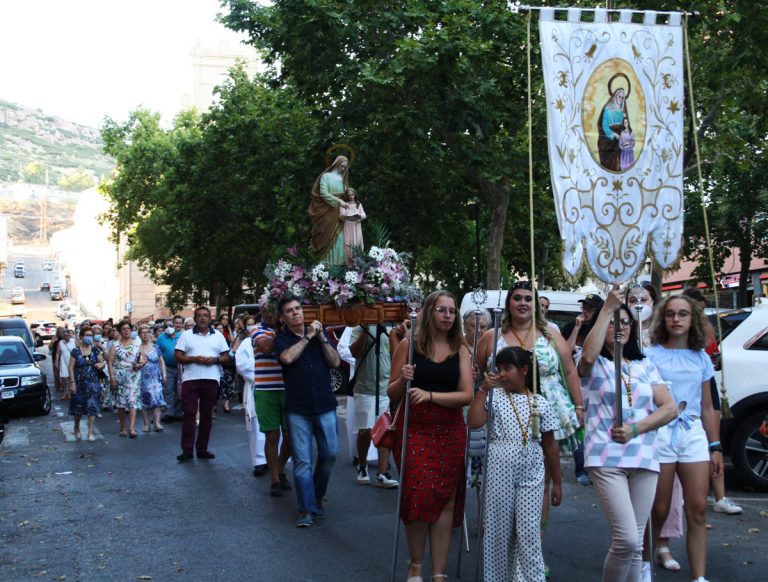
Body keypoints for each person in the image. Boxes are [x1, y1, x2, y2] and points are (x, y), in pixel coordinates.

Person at [476, 281, 584, 572]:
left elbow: (570, 370)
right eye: (517, 298)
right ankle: (504, 554)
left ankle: (531, 553)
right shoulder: (492, 335)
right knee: (502, 488)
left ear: (535, 304)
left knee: (541, 482)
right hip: (503, 416)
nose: (523, 303)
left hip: (546, 413)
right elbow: (476, 370)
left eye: (528, 298)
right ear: (509, 303)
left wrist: (579, 405)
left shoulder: (550, 334)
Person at [577, 284, 677, 582]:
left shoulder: (646, 365)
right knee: (627, 541)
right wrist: (607, 307)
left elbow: (669, 408)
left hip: (644, 456)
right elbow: (586, 360)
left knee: (636, 545)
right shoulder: (594, 362)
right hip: (606, 456)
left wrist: (636, 428)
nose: (618, 327)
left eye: (624, 322)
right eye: (611, 322)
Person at [388, 290, 473, 582]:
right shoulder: (409, 346)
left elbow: (466, 395)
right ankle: (416, 565)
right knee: (418, 495)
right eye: (442, 310)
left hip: (449, 430)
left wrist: (431, 395)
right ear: (429, 312)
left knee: (446, 498)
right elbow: (392, 392)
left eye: (452, 311)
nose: (448, 316)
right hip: (415, 428)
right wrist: (404, 379)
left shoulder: (461, 348)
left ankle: (439, 573)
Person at [644, 294, 724, 582]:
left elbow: (706, 406)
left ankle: (699, 578)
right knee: (659, 508)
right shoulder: (651, 355)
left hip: (692, 435)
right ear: (662, 319)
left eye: (683, 314)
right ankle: (643, 567)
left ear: (693, 320)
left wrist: (715, 447)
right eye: (670, 314)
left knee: (699, 508)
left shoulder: (701, 357)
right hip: (661, 434)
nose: (676, 319)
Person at [468, 347, 562, 582]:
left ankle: (531, 578)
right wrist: (483, 390)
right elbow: (474, 422)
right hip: (499, 466)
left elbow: (550, 445)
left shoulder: (539, 402)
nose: (501, 374)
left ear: (524, 370)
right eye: (498, 368)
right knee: (499, 530)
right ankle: (498, 578)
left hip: (531, 468)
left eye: (507, 368)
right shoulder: (494, 396)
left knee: (529, 530)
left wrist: (558, 482)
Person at [274, 294, 341, 528]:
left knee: (330, 453)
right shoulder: (281, 339)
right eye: (290, 311)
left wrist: (320, 336)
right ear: (283, 317)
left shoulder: (320, 336)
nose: (296, 313)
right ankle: (306, 509)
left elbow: (335, 362)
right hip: (298, 408)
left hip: (324, 404)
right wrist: (306, 338)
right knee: (302, 460)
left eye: (298, 308)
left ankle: (318, 496)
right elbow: (287, 358)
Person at [681, 288, 741, 516]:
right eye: (697, 307)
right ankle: (691, 494)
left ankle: (720, 496)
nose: (700, 312)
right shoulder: (679, 328)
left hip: (706, 384)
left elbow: (713, 358)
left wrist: (713, 359)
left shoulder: (704, 326)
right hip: (687, 390)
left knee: (713, 440)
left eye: (701, 308)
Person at [173, 306, 230, 462]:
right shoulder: (186, 335)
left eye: (206, 315)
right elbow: (177, 356)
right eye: (199, 315)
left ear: (210, 318)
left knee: (206, 415)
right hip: (190, 379)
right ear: (195, 318)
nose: (203, 318)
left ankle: (202, 449)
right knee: (189, 413)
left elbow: (226, 357)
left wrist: (215, 360)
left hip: (211, 378)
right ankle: (187, 450)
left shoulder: (218, 335)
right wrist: (194, 359)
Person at [250, 309, 293, 496]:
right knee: (272, 436)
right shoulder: (256, 329)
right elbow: (266, 348)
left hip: (288, 389)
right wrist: (280, 331)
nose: (269, 314)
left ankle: (281, 468)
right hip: (266, 390)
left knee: (291, 436)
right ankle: (275, 479)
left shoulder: (288, 330)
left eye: (273, 311)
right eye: (265, 311)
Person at [350, 324, 398, 488]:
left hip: (386, 388)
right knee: (365, 430)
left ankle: (382, 473)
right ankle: (362, 466)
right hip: (365, 388)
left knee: (386, 431)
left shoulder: (391, 328)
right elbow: (354, 352)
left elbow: (398, 354)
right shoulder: (359, 327)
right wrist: (365, 330)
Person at [233, 313, 268, 479]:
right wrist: (262, 371)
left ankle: (279, 459)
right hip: (257, 386)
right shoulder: (247, 343)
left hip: (277, 387)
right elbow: (241, 364)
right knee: (257, 425)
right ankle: (260, 460)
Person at [309, 155, 351, 265]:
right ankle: (326, 266)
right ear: (337, 164)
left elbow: (348, 194)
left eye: (345, 167)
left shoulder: (343, 179)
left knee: (341, 237)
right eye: (342, 166)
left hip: (340, 213)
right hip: (327, 211)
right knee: (325, 235)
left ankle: (339, 265)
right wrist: (338, 201)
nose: (343, 169)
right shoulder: (325, 176)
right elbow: (323, 193)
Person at [68, 326, 106, 442]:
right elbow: (70, 367)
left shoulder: (95, 350)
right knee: (78, 408)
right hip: (79, 383)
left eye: (90, 335)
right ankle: (77, 427)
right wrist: (72, 383)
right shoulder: (76, 351)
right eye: (87, 335)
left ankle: (90, 432)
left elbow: (103, 361)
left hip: (93, 383)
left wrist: (101, 364)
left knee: (92, 407)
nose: (89, 337)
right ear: (81, 337)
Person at [108, 320, 144, 438]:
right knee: (121, 403)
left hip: (133, 376)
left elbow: (143, 359)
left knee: (133, 401)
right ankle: (123, 427)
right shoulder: (115, 345)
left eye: (128, 328)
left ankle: (132, 428)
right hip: (119, 377)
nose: (126, 330)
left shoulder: (137, 344)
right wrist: (112, 377)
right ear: (120, 331)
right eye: (123, 329)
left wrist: (140, 364)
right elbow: (110, 362)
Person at [138, 324, 167, 433]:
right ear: (139, 335)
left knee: (157, 400)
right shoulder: (137, 348)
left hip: (155, 377)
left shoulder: (155, 346)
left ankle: (157, 423)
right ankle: (146, 424)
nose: (145, 334)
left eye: (147, 332)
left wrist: (164, 375)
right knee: (145, 400)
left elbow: (161, 361)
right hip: (142, 377)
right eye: (143, 332)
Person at [157, 315, 184, 423]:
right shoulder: (161, 338)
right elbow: (157, 353)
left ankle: (177, 413)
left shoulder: (182, 336)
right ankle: (168, 413)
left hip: (180, 367)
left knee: (179, 391)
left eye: (178, 323)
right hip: (167, 368)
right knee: (168, 390)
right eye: (169, 325)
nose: (173, 326)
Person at [597, 83, 630, 172]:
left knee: (619, 164)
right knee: (609, 165)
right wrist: (613, 134)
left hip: (619, 142)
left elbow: (625, 127)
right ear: (615, 96)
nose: (621, 99)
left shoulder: (622, 113)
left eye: (623, 97)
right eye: (619, 96)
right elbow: (604, 126)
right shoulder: (607, 110)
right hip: (607, 142)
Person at [626, 282, 657, 349]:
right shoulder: (623, 332)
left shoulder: (663, 332)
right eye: (632, 300)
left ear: (653, 302)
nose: (638, 304)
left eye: (643, 300)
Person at [340, 188, 366, 265]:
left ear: (355, 194)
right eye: (349, 195)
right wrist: (345, 216)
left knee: (357, 242)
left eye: (352, 194)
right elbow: (341, 215)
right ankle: (348, 264)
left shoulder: (358, 204)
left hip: (356, 226)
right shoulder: (345, 205)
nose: (351, 196)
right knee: (348, 243)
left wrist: (359, 216)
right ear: (347, 196)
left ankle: (358, 263)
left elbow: (364, 214)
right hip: (348, 226)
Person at [58, 328, 75, 401]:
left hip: (72, 361)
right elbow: (57, 353)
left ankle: (71, 392)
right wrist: (56, 361)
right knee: (64, 378)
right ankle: (65, 393)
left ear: (69, 335)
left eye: (67, 336)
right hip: (63, 361)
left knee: (71, 377)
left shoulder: (74, 341)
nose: (66, 337)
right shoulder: (60, 342)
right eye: (64, 336)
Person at [50, 327, 65, 394]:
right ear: (58, 332)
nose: (61, 333)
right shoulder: (55, 338)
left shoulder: (65, 338)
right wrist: (53, 342)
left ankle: (62, 386)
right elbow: (50, 347)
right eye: (60, 332)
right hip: (55, 357)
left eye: (62, 332)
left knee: (62, 372)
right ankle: (58, 386)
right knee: (56, 372)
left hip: (63, 357)